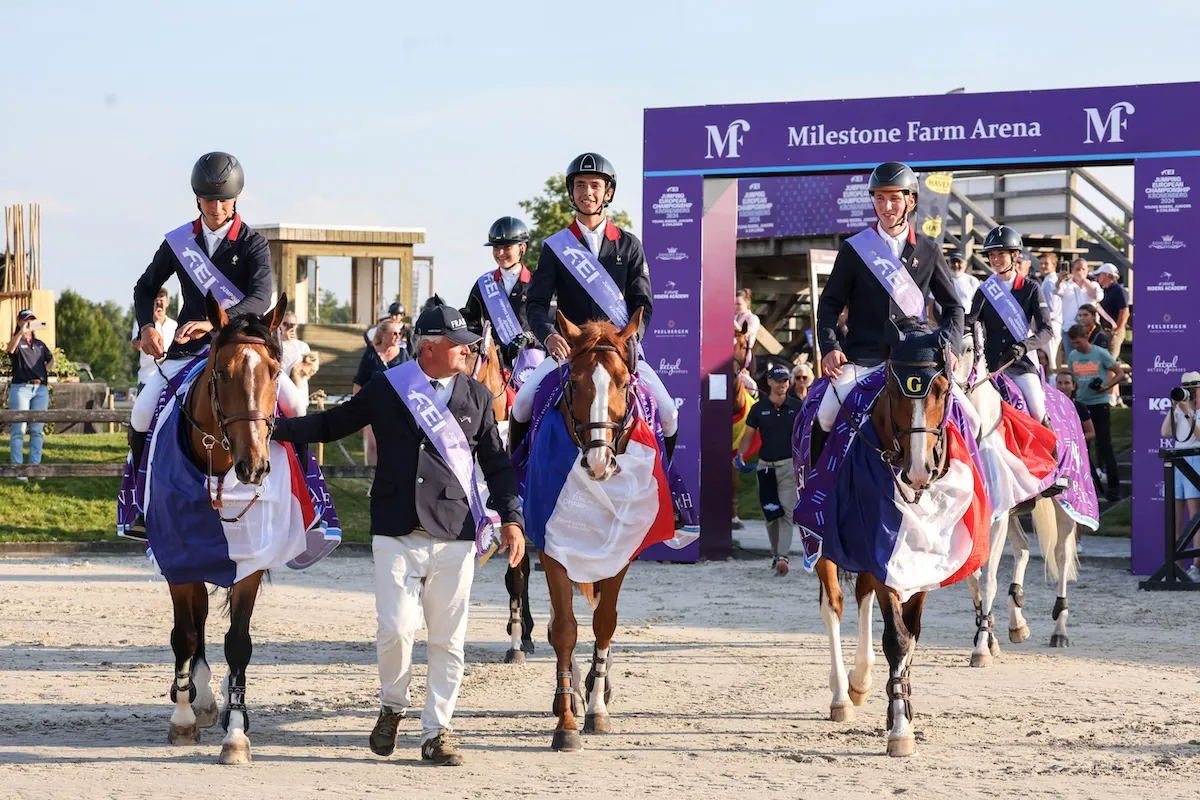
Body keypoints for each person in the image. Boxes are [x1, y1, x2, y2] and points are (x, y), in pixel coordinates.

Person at [270, 304, 525, 766]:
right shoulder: (389, 387)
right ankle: (392, 705)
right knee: (395, 629)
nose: (469, 349)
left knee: (448, 639)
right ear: (429, 347)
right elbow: (332, 424)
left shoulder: (477, 396)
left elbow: (497, 464)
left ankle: (437, 732)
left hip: (454, 531)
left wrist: (511, 517)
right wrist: (269, 427)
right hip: (395, 528)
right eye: (459, 343)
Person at [126, 152, 274, 539]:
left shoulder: (254, 244)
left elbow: (260, 298)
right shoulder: (179, 242)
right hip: (189, 350)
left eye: (224, 200)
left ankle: (305, 502)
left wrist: (215, 322)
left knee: (292, 403)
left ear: (235, 200)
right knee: (142, 412)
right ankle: (143, 503)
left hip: (241, 348)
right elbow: (145, 286)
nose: (216, 207)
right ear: (197, 200)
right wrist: (147, 328)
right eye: (209, 200)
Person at [516, 152, 676, 452]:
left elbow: (643, 303)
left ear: (608, 192)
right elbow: (536, 304)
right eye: (579, 185)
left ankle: (665, 477)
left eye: (594, 185)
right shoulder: (555, 247)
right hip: (570, 349)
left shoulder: (629, 245)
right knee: (522, 404)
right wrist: (549, 335)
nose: (586, 192)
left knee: (669, 413)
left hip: (619, 348)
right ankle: (519, 479)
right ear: (571, 191)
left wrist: (631, 339)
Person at [816, 161, 963, 435]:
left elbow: (954, 307)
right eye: (880, 198)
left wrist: (952, 348)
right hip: (864, 358)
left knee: (969, 419)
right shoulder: (854, 249)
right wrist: (829, 347)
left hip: (916, 360)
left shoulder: (928, 250)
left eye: (894, 199)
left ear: (911, 201)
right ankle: (816, 478)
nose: (886, 207)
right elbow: (830, 304)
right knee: (825, 417)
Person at [965, 225, 1053, 422]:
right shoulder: (984, 291)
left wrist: (1024, 346)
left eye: (1000, 254)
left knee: (1038, 412)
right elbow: (970, 323)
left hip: (1021, 365)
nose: (995, 260)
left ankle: (1051, 452)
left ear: (1015, 255)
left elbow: (1047, 330)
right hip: (991, 367)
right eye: (991, 255)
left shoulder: (1031, 288)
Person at [736, 364, 804, 576]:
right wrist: (740, 455)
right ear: (770, 382)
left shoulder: (797, 406)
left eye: (786, 380)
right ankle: (777, 554)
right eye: (779, 380)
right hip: (765, 468)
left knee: (786, 513)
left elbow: (805, 435)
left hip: (788, 466)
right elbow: (748, 436)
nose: (783, 384)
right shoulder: (758, 408)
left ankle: (782, 556)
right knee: (771, 514)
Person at [461, 216, 535, 366]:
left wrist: (530, 337)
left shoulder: (537, 283)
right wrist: (488, 342)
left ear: (523, 247)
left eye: (507, 247)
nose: (500, 253)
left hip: (530, 360)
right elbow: (470, 323)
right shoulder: (483, 284)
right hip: (492, 362)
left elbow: (551, 323)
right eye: (496, 248)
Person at [1066, 324, 1124, 502]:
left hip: (1099, 403)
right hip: (1081, 403)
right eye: (1073, 343)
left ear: (1085, 338)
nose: (1076, 346)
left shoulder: (1100, 353)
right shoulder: (1073, 356)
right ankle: (1087, 486)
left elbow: (1120, 373)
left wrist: (1106, 387)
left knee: (1105, 445)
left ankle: (1114, 487)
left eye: (1078, 342)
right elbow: (1071, 377)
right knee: (1083, 446)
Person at [1161, 371, 1200, 580]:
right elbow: (1165, 432)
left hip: (1195, 462)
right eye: (1188, 389)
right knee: (1174, 518)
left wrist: (1187, 412)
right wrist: (1174, 407)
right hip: (1178, 462)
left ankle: (1196, 565)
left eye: (1194, 388)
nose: (1191, 393)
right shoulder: (1179, 409)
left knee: (1195, 518)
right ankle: (1176, 566)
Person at [354, 319, 410, 466]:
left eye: (400, 333)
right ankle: (371, 480)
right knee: (373, 446)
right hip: (373, 408)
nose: (398, 336)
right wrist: (358, 411)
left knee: (395, 446)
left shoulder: (404, 354)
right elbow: (358, 383)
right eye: (394, 333)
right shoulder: (371, 354)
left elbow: (412, 382)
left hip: (398, 410)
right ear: (384, 335)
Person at [7, 310, 54, 474]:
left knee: (37, 430)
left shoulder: (40, 344)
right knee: (18, 430)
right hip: (21, 388)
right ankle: (18, 469)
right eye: (26, 320)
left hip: (40, 389)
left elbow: (51, 359)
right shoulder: (18, 342)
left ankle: (34, 468)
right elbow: (10, 350)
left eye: (32, 320)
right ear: (19, 322)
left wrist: (43, 371)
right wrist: (21, 332)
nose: (29, 323)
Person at [1091, 263, 1129, 406]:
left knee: (1110, 364)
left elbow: (1124, 311)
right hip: (1107, 332)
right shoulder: (1106, 290)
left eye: (1100, 275)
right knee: (1110, 362)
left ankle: (1111, 396)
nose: (1097, 277)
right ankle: (1116, 396)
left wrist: (1117, 329)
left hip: (1114, 332)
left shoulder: (1119, 290)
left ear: (1107, 275)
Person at [131, 288, 178, 389]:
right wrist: (153, 325)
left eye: (161, 301)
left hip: (169, 377)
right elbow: (137, 345)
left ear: (167, 302)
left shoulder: (174, 325)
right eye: (156, 302)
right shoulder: (142, 324)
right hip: (148, 377)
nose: (159, 305)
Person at [1056, 258, 1103, 351]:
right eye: (1078, 269)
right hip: (1070, 328)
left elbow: (1096, 296)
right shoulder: (1066, 284)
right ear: (1072, 270)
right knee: (1073, 358)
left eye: (1084, 269)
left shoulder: (1093, 284)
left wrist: (1084, 280)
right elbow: (1058, 290)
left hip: (1089, 329)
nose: (1081, 271)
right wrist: (1059, 280)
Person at [279, 312, 317, 415]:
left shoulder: (302, 346)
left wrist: (299, 370)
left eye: (292, 324)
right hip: (280, 392)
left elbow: (312, 369)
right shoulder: (276, 344)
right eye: (285, 324)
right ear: (280, 324)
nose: (289, 327)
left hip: (299, 390)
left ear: (297, 326)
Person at [1037, 253, 1064, 369]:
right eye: (1041, 263)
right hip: (1055, 323)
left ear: (1054, 265)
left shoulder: (1049, 282)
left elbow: (1051, 307)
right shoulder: (1049, 280)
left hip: (1051, 322)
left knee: (1050, 360)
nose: (1043, 266)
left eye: (1046, 263)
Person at [1054, 370, 1096, 443]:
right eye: (1059, 383)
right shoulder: (1050, 406)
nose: (1062, 386)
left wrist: (1073, 441)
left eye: (1066, 383)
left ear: (1073, 386)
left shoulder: (1080, 407)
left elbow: (1091, 433)